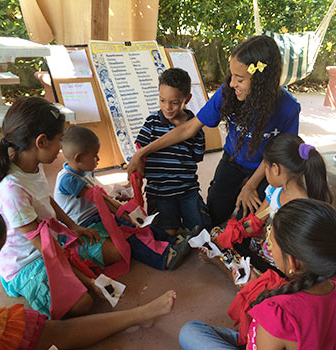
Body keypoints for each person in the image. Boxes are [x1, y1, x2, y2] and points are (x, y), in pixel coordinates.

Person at [128, 35, 301, 227]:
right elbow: (188, 129)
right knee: (215, 215)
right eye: (232, 75)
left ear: (261, 81)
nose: (233, 83)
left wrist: (251, 185)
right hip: (233, 160)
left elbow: (279, 154)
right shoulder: (228, 92)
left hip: (265, 166)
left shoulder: (288, 108)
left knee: (246, 221)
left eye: (240, 79)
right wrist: (143, 152)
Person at [0, 97, 125, 319]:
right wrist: (86, 279)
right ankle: (40, 286)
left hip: (53, 243)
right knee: (82, 303)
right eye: (60, 141)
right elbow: (44, 249)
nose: (61, 148)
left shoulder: (33, 165)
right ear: (41, 142)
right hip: (27, 264)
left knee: (115, 252)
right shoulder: (12, 190)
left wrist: (73, 227)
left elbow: (46, 199)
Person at [0, 203, 177, 350]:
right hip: (29, 267)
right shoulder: (14, 194)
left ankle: (140, 315)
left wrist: (88, 281)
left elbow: (54, 252)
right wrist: (88, 282)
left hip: (44, 255)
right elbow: (51, 254)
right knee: (77, 306)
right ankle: (140, 315)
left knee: (52, 330)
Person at [179, 198, 336, 349]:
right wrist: (254, 287)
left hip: (268, 338)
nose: (268, 242)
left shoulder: (277, 317)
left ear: (292, 262)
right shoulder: (330, 283)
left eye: (270, 238)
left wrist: (252, 295)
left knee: (189, 333)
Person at [54, 125, 192, 271]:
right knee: (129, 233)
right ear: (79, 157)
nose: (98, 158)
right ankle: (165, 258)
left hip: (98, 216)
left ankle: (175, 241)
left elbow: (101, 198)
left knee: (139, 224)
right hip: (87, 224)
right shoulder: (69, 179)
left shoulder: (83, 171)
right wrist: (125, 215)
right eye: (95, 155)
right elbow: (102, 201)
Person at [205, 133, 333, 280]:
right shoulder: (275, 191)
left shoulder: (304, 207)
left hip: (287, 265)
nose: (264, 173)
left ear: (275, 168)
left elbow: (300, 258)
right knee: (233, 247)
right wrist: (227, 236)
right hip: (268, 250)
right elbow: (255, 222)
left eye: (265, 167)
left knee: (254, 279)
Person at [135, 67, 210, 236]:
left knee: (201, 230)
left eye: (174, 102)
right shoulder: (152, 122)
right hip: (159, 192)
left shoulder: (195, 127)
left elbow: (197, 157)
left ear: (187, 99)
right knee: (167, 233)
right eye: (162, 100)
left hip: (187, 190)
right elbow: (139, 152)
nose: (167, 107)